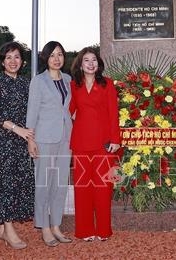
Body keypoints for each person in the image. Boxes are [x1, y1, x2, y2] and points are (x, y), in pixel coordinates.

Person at [0, 41, 35, 250]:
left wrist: (30, 138)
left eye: (17, 57)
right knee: (5, 184)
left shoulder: (26, 83)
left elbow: (32, 113)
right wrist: (17, 129)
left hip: (22, 141)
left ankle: (0, 228)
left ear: (22, 61)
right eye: (8, 57)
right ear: (2, 62)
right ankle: (9, 230)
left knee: (17, 184)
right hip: (3, 142)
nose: (13, 61)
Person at [69, 47, 121, 241]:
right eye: (86, 60)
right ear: (80, 64)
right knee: (82, 188)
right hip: (81, 142)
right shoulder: (73, 85)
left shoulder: (107, 84)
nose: (90, 64)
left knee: (103, 187)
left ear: (98, 64)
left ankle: (103, 230)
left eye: (94, 60)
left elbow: (113, 113)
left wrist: (116, 140)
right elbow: (68, 111)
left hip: (104, 144)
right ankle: (85, 230)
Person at [26, 41, 73, 247]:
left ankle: (56, 225)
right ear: (46, 58)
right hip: (44, 139)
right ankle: (44, 227)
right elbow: (32, 112)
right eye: (52, 55)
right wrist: (30, 140)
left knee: (60, 184)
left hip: (66, 139)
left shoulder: (68, 80)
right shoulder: (38, 81)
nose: (56, 59)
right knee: (44, 183)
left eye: (60, 54)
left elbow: (70, 109)